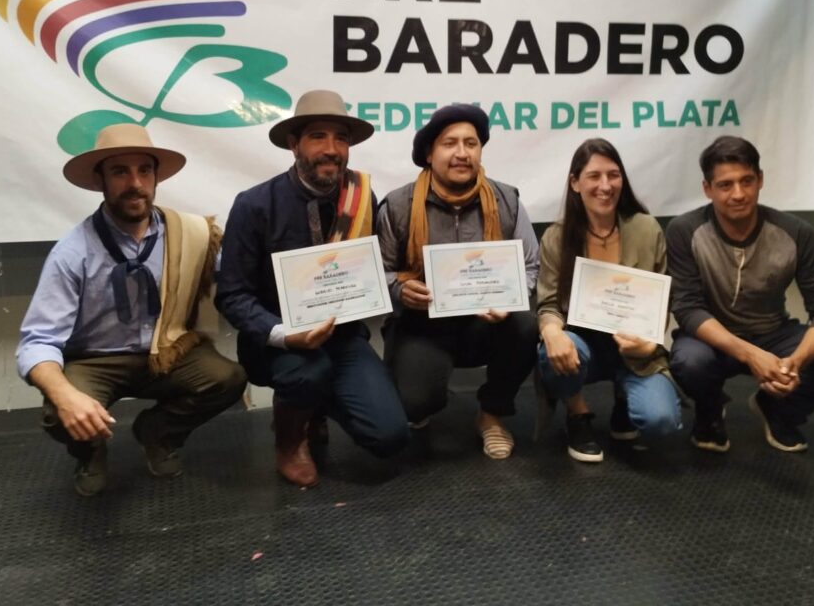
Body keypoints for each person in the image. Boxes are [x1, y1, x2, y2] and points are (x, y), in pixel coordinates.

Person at [16, 124, 247, 497]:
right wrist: (66, 396)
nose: (135, 183)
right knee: (58, 412)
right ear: (100, 181)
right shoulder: (72, 252)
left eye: (144, 171)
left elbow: (240, 277)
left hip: (167, 351)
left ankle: (157, 431)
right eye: (120, 172)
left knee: (229, 378)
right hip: (96, 359)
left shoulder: (189, 234)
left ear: (156, 178)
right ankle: (89, 451)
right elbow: (36, 342)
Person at [215, 89, 409, 487]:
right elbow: (231, 295)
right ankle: (289, 439)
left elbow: (364, 272)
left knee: (389, 436)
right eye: (318, 136)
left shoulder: (361, 197)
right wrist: (285, 334)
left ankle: (312, 407)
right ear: (294, 144)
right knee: (308, 373)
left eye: (341, 139)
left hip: (342, 337)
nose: (331, 149)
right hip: (276, 343)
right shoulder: (254, 205)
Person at [667, 135, 814, 453]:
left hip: (773, 333)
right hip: (712, 339)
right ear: (707, 189)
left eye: (746, 181)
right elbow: (687, 309)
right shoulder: (684, 230)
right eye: (725, 185)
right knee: (689, 362)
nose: (738, 194)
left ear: (760, 180)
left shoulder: (796, 233)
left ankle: (778, 409)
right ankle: (710, 411)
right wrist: (750, 355)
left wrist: (795, 362)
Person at [377, 104, 539, 459]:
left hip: (485, 324)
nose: (462, 153)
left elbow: (530, 265)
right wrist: (401, 290)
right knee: (414, 404)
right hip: (422, 326)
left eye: (471, 143)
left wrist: (510, 298)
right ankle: (426, 394)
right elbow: (381, 273)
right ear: (429, 153)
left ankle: (491, 414)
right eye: (449, 143)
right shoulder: (398, 205)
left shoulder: (507, 201)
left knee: (526, 325)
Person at [536, 138, 681, 462]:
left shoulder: (647, 229)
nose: (605, 186)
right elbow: (548, 303)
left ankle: (624, 401)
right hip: (583, 345)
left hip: (634, 348)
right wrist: (551, 331)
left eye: (613, 175)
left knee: (661, 421)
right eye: (594, 176)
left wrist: (649, 343)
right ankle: (577, 413)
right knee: (551, 350)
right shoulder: (557, 237)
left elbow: (661, 300)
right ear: (575, 183)